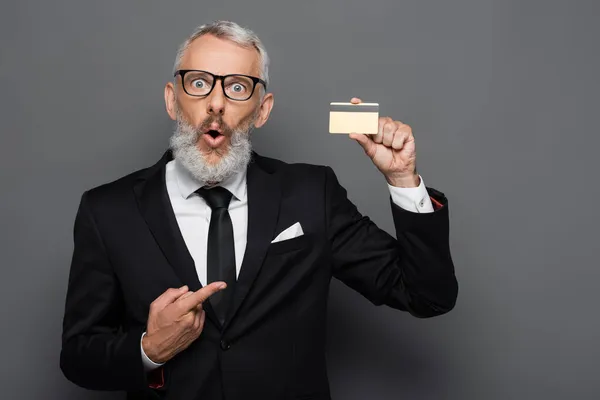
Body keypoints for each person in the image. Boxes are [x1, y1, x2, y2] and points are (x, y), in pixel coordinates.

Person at [59, 20, 458, 400]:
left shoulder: (310, 193)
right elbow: (79, 357)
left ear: (262, 109)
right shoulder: (107, 211)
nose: (215, 104)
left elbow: (426, 296)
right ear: (171, 99)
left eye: (236, 87)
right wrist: (151, 350)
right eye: (198, 83)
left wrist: (403, 179)